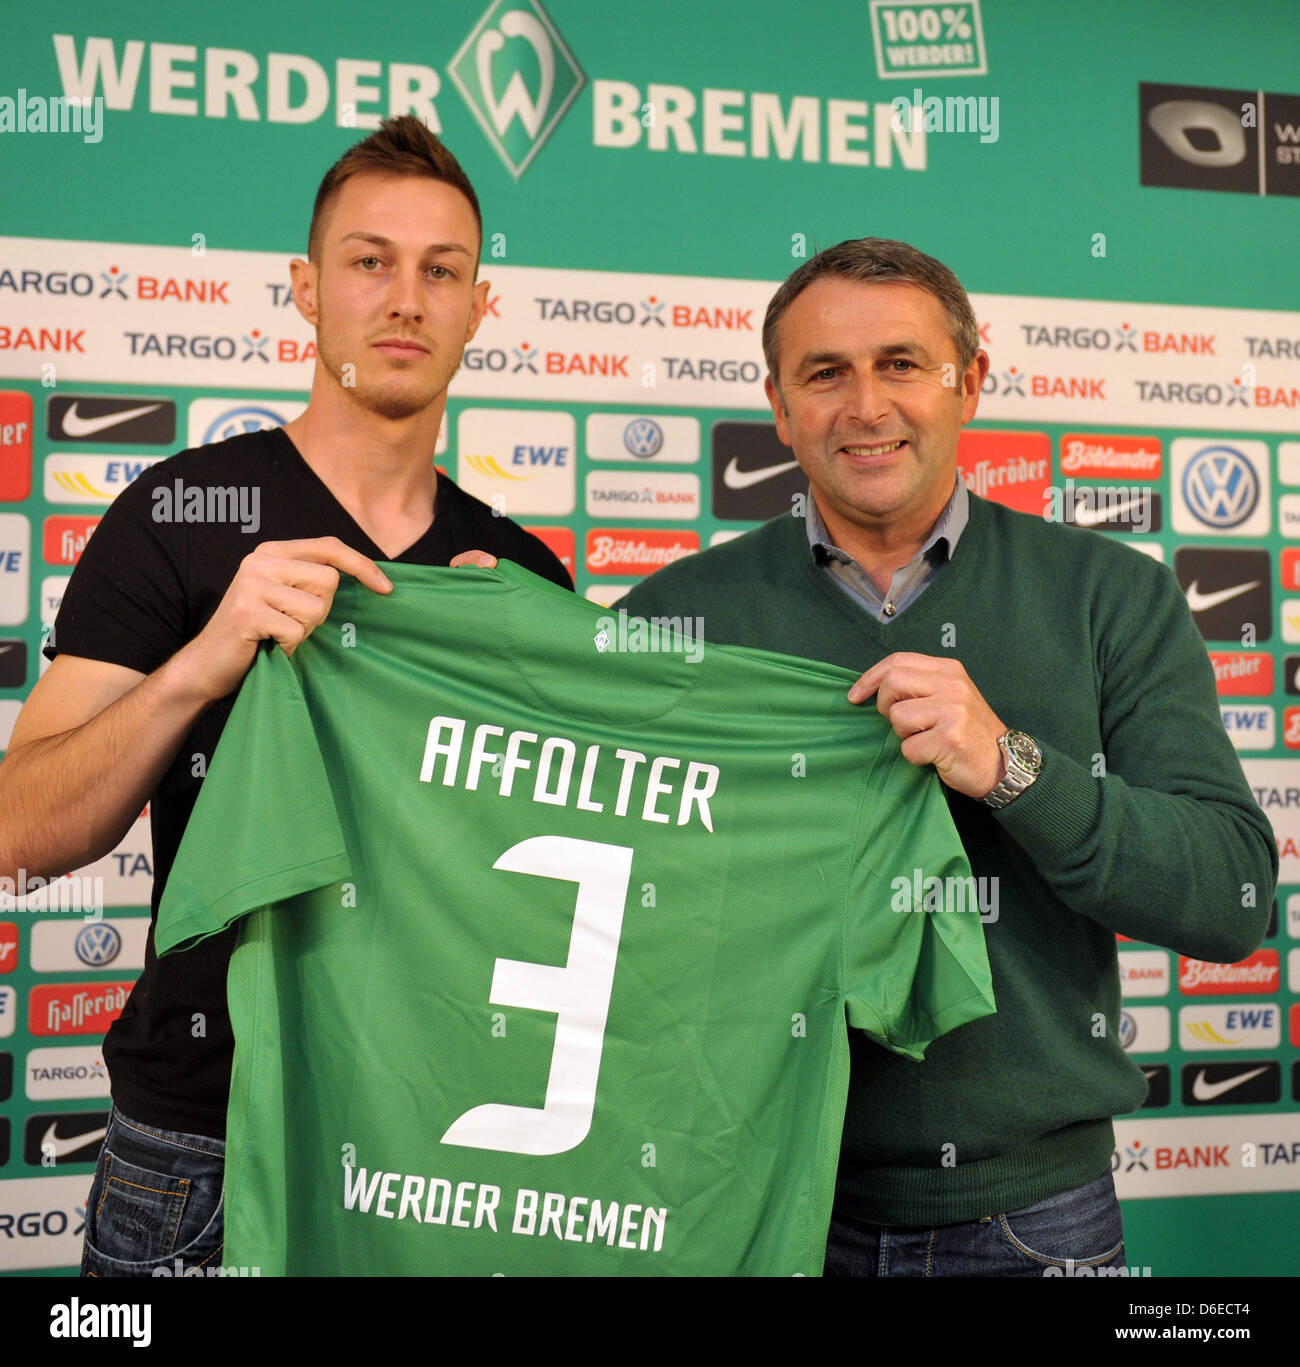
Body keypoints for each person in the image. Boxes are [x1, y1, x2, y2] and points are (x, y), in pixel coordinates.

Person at [614, 238, 1277, 1276]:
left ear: (971, 377)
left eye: (900, 363)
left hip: (1035, 1218)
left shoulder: (1109, 595)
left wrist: (1013, 765)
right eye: (824, 373)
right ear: (778, 407)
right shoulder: (674, 617)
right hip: (750, 1203)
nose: (865, 405)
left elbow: (1230, 898)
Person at [0, 116, 571, 1277]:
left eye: (441, 270)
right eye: (370, 261)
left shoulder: (525, 576)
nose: (405, 298)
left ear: (480, 305)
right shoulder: (177, 513)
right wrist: (204, 661)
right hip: (200, 1143)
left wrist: (526, 671)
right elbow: (20, 829)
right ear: (306, 290)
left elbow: (565, 881)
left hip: (446, 1141)